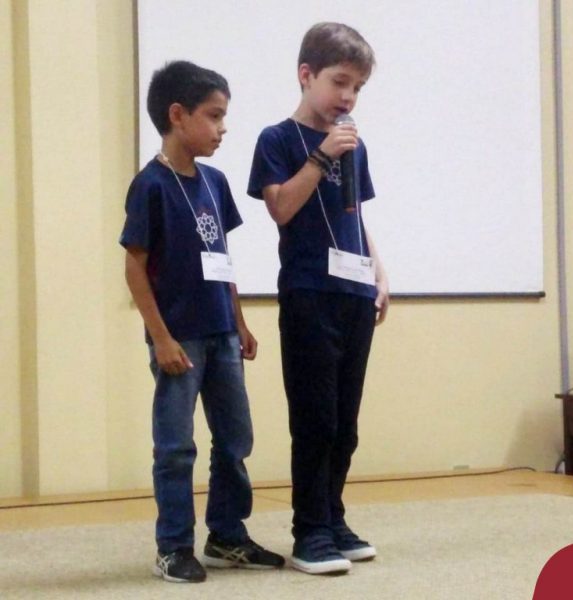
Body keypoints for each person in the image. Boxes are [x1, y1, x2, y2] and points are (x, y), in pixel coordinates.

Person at [120, 60, 284, 584]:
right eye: (214, 116)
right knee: (176, 447)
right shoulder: (150, 185)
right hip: (180, 340)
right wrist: (161, 338)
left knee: (235, 438)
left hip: (222, 334)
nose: (222, 128)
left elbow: (221, 259)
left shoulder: (215, 182)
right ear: (177, 115)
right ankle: (173, 547)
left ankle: (227, 535)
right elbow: (135, 267)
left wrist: (240, 322)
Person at [247, 23, 390, 575]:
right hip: (309, 292)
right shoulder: (278, 139)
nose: (348, 97)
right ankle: (309, 530)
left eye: (358, 87)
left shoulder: (354, 144)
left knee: (346, 422)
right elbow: (281, 208)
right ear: (306, 75)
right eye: (339, 82)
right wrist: (321, 156)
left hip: (354, 293)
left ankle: (333, 517)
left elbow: (355, 215)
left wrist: (378, 271)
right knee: (315, 418)